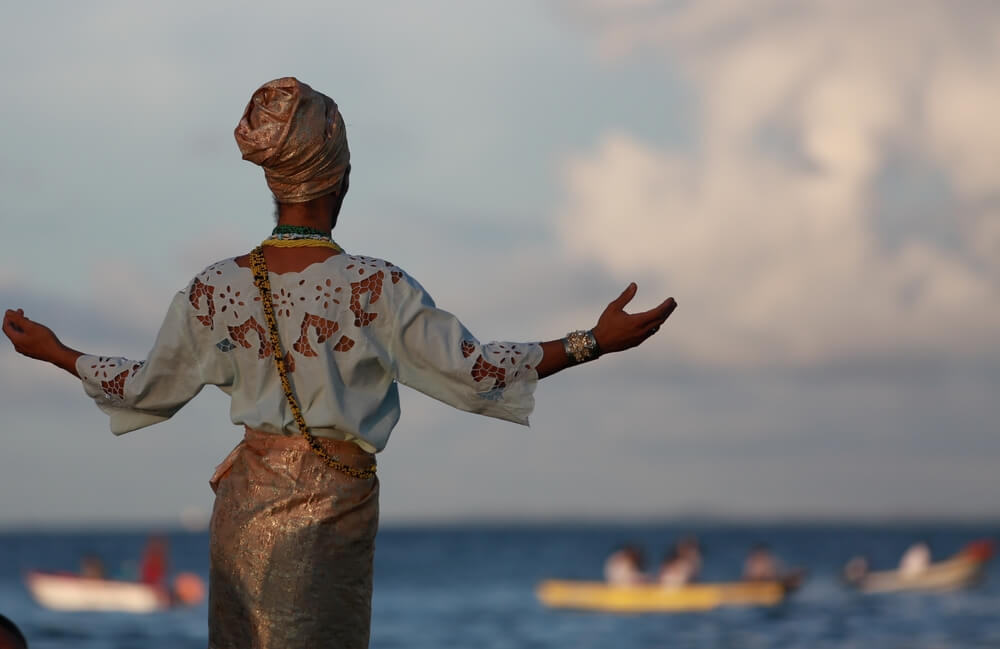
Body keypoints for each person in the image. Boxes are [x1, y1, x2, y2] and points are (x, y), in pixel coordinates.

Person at [2, 77, 677, 649]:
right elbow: (480, 374)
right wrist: (593, 340)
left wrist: (56, 350)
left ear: (274, 179)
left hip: (243, 519)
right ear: (341, 175)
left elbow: (147, 388)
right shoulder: (376, 287)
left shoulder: (215, 288)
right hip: (334, 517)